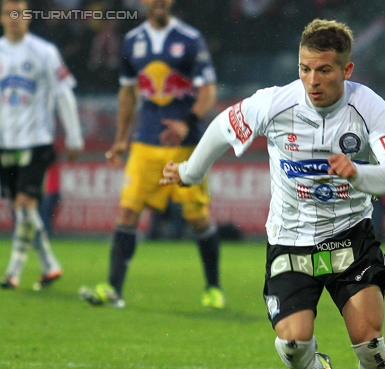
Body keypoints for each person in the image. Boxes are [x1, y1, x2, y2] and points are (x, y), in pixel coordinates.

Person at [161, 19, 385, 369]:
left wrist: (360, 172)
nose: (312, 80)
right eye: (304, 68)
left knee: (370, 343)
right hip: (290, 240)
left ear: (347, 71)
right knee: (294, 344)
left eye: (324, 70)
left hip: (350, 237)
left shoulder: (369, 107)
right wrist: (189, 171)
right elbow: (224, 126)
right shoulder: (275, 104)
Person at [79, 0, 225, 309]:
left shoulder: (189, 39)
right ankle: (113, 288)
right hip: (145, 143)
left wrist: (187, 123)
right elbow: (128, 93)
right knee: (127, 212)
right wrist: (121, 139)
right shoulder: (132, 41)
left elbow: (208, 91)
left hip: (184, 147)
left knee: (197, 218)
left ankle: (213, 287)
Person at [0, 0, 83, 290]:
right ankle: (49, 265)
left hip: (37, 141)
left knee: (25, 203)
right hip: (5, 144)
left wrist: (74, 136)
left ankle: (12, 272)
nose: (14, 19)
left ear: (28, 18)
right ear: (1, 18)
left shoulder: (45, 51)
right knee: (21, 210)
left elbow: (64, 94)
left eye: (19, 14)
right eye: (9, 14)